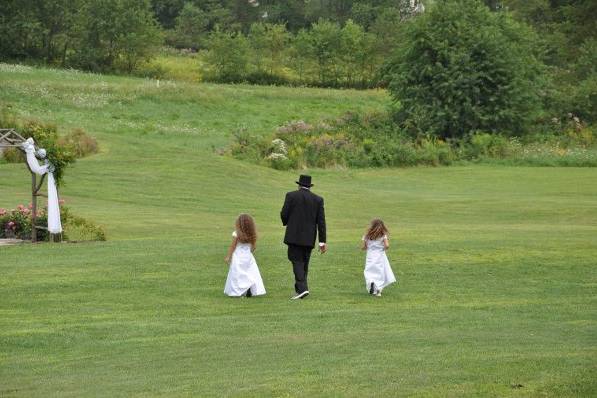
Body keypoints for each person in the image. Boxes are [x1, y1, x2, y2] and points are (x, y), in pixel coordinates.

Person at [280, 175, 327, 300]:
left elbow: (284, 213)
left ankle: (302, 289)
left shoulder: (291, 196)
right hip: (309, 238)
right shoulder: (318, 200)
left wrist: (287, 222)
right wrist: (322, 242)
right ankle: (301, 289)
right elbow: (321, 222)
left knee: (296, 261)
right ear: (309, 186)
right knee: (304, 263)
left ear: (299, 185)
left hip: (293, 236)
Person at [224, 214, 266, 297]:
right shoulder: (252, 234)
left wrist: (229, 256)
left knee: (237, 274)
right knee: (249, 272)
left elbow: (233, 246)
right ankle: (249, 287)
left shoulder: (236, 234)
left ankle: (237, 291)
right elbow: (253, 247)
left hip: (238, 256)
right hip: (248, 256)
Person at [362, 218, 396, 297]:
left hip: (370, 255)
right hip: (380, 255)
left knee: (369, 270)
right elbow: (387, 245)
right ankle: (378, 289)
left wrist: (366, 248)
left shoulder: (366, 236)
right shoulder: (383, 236)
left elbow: (364, 247)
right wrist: (383, 248)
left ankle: (371, 282)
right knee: (380, 271)